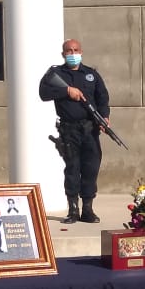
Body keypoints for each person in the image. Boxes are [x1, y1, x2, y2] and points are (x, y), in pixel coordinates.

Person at [39, 38, 111, 224]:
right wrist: (66, 91)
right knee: (72, 169)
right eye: (69, 51)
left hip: (90, 128)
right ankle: (73, 210)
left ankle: (87, 209)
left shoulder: (91, 74)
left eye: (76, 50)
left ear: (81, 52)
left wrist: (104, 117)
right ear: (63, 54)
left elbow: (102, 98)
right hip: (69, 130)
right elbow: (43, 93)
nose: (73, 54)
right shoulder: (56, 73)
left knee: (91, 168)